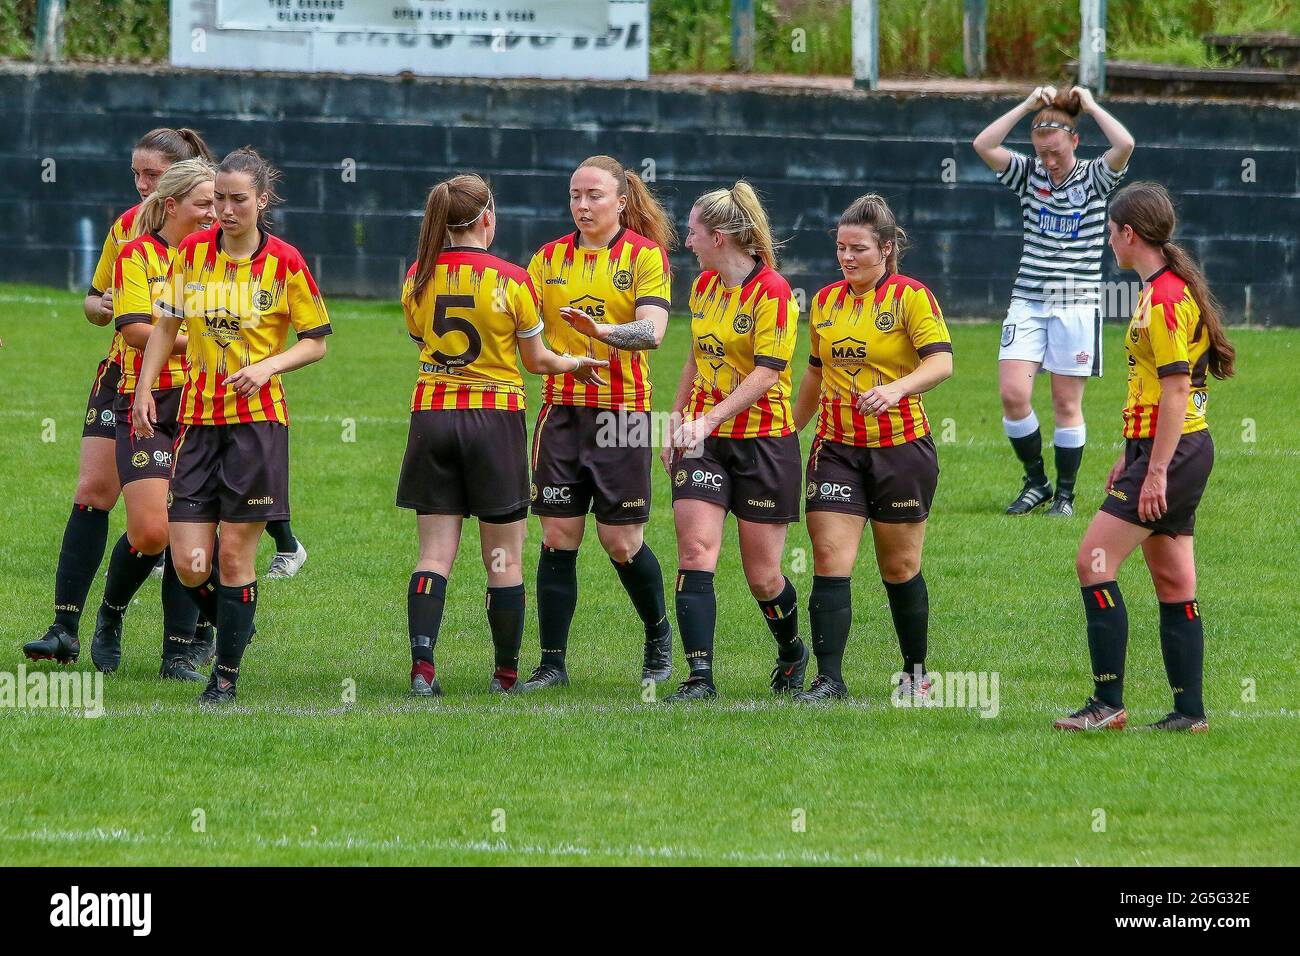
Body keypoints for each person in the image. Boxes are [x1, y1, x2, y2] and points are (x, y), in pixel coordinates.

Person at [133, 148, 331, 706]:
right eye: (218, 198)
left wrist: (268, 365)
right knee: (189, 562)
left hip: (257, 427)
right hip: (197, 421)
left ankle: (225, 677)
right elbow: (167, 324)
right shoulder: (193, 253)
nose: (224, 209)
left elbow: (315, 341)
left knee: (232, 557)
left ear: (261, 201)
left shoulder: (286, 262)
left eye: (237, 199)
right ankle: (235, 620)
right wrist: (147, 388)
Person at [397, 174, 608, 697]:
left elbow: (421, 338)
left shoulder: (416, 278)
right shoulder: (515, 279)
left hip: (433, 417)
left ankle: (423, 669)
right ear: (488, 218)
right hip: (494, 422)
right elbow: (537, 362)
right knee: (504, 558)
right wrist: (576, 363)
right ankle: (506, 674)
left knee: (433, 555)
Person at [24, 127, 215, 666]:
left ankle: (191, 636)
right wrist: (106, 309)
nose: (141, 184)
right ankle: (65, 627)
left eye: (152, 175)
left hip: (191, 389)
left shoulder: (216, 228)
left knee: (180, 517)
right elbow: (93, 299)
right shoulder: (130, 233)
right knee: (93, 493)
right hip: (125, 380)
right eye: (137, 173)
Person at [1054, 182, 1234, 733]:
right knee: (1175, 581)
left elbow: (1177, 391)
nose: (1109, 240)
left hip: (1173, 452)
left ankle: (1107, 704)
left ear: (1129, 233)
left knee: (1094, 562)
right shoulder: (1161, 289)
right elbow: (1152, 390)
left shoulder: (1164, 297)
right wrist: (1127, 454)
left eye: (1111, 231)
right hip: (1164, 448)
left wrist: (1153, 470)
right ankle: (1189, 713)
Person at [518, 155, 677, 693]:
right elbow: (523, 330)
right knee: (559, 534)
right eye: (575, 196)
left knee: (621, 541)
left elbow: (652, 332)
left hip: (624, 414)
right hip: (561, 410)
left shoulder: (645, 257)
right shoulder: (547, 259)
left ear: (621, 200)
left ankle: (659, 635)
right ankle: (551, 663)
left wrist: (602, 332)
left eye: (595, 196)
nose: (583, 206)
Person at [791, 195, 953, 702]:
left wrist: (897, 389)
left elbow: (941, 363)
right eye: (840, 248)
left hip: (900, 449)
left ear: (885, 248)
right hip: (836, 448)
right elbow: (815, 375)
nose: (847, 257)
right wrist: (787, 429)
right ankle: (829, 680)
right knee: (829, 554)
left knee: (898, 567)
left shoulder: (912, 297)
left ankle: (914, 674)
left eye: (858, 248)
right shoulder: (824, 302)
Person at [662, 182, 806, 702]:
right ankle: (700, 677)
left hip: (764, 443)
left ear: (719, 236)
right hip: (705, 441)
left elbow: (768, 374)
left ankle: (792, 650)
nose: (687, 240)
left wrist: (708, 420)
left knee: (764, 576)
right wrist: (679, 417)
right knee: (695, 550)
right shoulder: (703, 287)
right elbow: (697, 355)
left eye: (693, 232)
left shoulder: (774, 292)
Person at [973, 85, 1135, 516]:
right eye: (1041, 152)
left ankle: (1064, 495)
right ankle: (1036, 482)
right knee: (1012, 394)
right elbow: (983, 144)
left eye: (1056, 152)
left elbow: (1125, 143)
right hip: (1028, 299)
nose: (1048, 161)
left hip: (1076, 301)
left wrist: (1093, 104)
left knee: (1066, 402)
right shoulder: (1029, 174)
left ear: (1075, 142)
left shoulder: (1095, 177)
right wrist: (1028, 104)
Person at [90, 159, 217, 680]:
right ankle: (111, 614)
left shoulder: (220, 258)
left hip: (206, 405)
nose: (216, 214)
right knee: (151, 532)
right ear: (172, 206)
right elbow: (140, 331)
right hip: (147, 401)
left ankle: (178, 652)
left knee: (192, 532)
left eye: (222, 203)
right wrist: (212, 340)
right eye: (204, 204)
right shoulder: (138, 254)